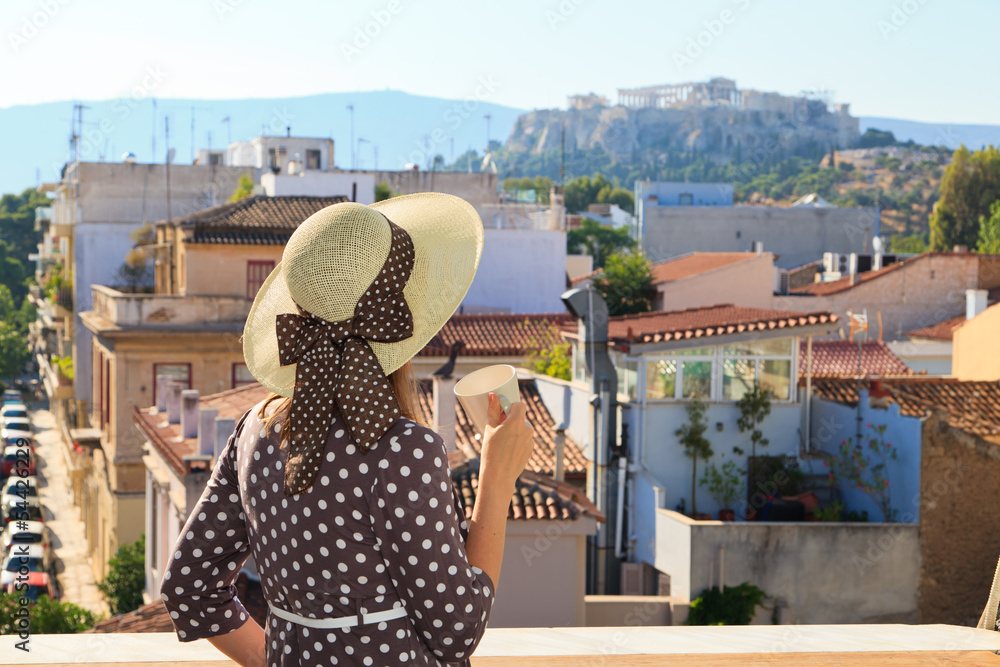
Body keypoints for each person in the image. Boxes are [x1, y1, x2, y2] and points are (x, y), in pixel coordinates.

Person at [161, 194, 535, 666]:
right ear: (402, 320)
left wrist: (279, 656)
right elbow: (457, 632)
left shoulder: (252, 433)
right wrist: (496, 483)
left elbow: (187, 587)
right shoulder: (403, 451)